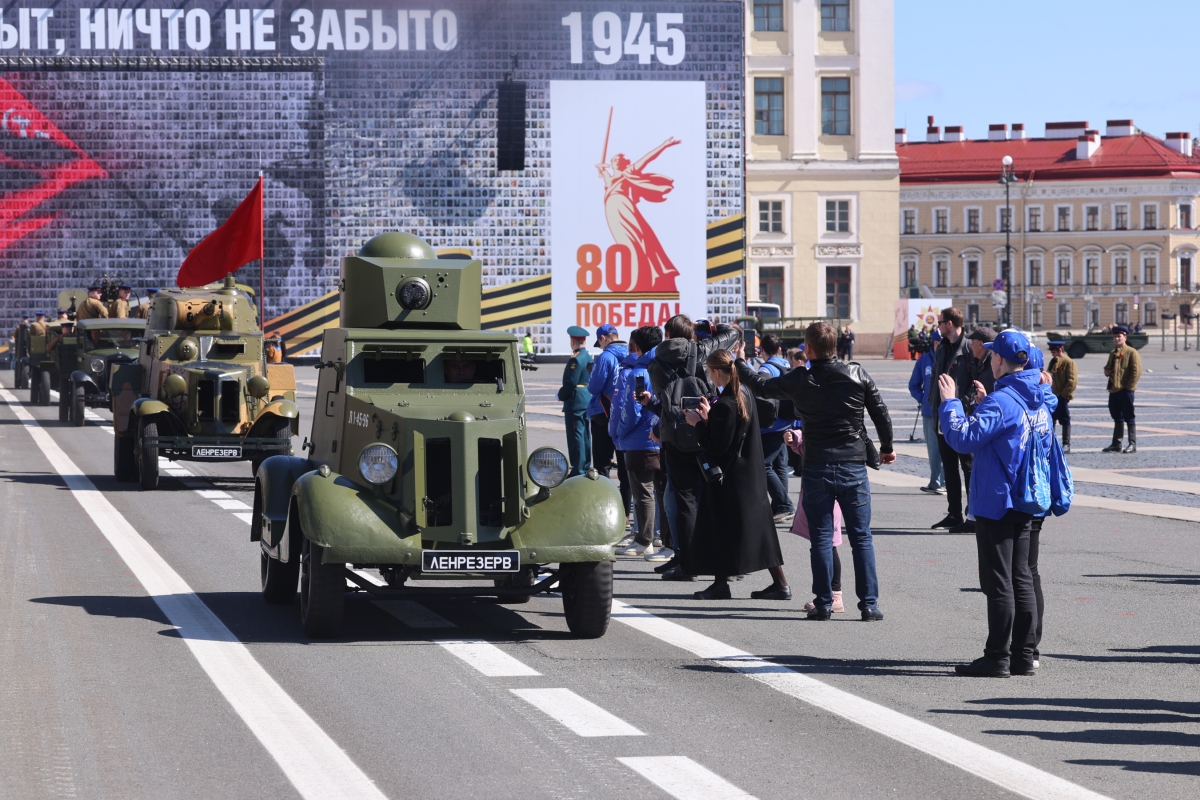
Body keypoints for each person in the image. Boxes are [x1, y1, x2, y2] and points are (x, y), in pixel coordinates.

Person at [738, 321, 894, 621]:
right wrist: (886, 446)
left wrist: (740, 360)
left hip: (817, 464)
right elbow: (880, 412)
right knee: (861, 537)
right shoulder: (857, 373)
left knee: (821, 537)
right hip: (852, 464)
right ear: (835, 347)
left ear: (808, 349)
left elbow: (760, 386)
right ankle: (869, 604)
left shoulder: (799, 379)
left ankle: (823, 602)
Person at [938, 330, 1052, 677]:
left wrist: (950, 402)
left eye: (992, 356)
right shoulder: (1038, 398)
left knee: (1000, 581)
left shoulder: (1002, 402)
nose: (989, 360)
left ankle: (997, 656)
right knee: (1023, 577)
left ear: (1000, 360)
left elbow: (962, 438)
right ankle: (1023, 654)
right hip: (1029, 499)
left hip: (999, 500)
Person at [683, 348, 788, 600]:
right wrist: (710, 420)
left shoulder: (726, 404)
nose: (709, 377)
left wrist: (698, 424)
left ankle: (721, 585)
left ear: (717, 372)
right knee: (760, 532)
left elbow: (716, 447)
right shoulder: (744, 395)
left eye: (709, 372)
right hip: (749, 475)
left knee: (720, 529)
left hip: (728, 479)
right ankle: (780, 584)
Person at [647, 314, 739, 581]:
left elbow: (665, 404)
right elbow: (733, 333)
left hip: (674, 439)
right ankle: (724, 563)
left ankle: (689, 565)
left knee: (684, 501)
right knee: (714, 499)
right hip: (705, 432)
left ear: (667, 334)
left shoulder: (656, 362)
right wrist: (706, 329)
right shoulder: (703, 350)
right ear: (691, 334)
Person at [613, 325, 671, 559]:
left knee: (643, 492)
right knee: (661, 492)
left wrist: (619, 432)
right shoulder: (663, 366)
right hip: (660, 436)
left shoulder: (639, 372)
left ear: (636, 346)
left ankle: (644, 539)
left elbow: (631, 409)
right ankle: (664, 540)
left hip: (639, 440)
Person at [785, 428, 845, 611]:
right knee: (824, 543)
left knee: (828, 544)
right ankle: (830, 595)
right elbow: (808, 448)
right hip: (819, 486)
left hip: (831, 486)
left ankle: (835, 595)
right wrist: (795, 438)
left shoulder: (836, 419)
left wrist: (797, 439)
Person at [931, 308, 976, 534]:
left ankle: (973, 514)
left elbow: (974, 382)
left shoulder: (969, 348)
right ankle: (954, 513)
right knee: (948, 465)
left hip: (962, 416)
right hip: (941, 414)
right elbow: (935, 380)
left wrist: (964, 405)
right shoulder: (941, 348)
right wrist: (933, 407)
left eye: (940, 322)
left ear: (950, 324)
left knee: (968, 466)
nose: (937, 326)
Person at [586, 323, 631, 518]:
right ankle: (626, 512)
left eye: (600, 342)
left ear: (604, 338)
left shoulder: (605, 357)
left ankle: (605, 514)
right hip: (626, 418)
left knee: (602, 466)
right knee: (625, 469)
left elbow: (594, 387)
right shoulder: (632, 354)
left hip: (603, 416)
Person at [757, 333, 796, 524]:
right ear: (779, 349)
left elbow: (761, 393)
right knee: (780, 466)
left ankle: (784, 504)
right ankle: (780, 506)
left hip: (772, 425)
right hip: (786, 422)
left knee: (763, 465)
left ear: (761, 350)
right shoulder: (786, 364)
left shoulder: (766, 368)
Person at [908, 329, 945, 494]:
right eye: (940, 343)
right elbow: (914, 384)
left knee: (947, 447)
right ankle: (935, 481)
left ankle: (944, 482)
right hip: (930, 412)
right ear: (935, 343)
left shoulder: (952, 359)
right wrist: (923, 398)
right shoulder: (924, 361)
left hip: (947, 411)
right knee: (932, 448)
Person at [559, 325, 593, 476]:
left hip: (575, 400)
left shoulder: (576, 359)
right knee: (585, 435)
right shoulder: (588, 357)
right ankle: (585, 464)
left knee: (576, 435)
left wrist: (561, 395)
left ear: (572, 341)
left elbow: (570, 383)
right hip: (586, 398)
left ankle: (578, 468)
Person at [1102, 325, 1141, 454]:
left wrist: (1129, 388)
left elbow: (1136, 371)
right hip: (1113, 390)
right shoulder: (1112, 353)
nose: (1117, 339)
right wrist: (1107, 372)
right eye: (1115, 337)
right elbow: (1109, 369)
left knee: (1129, 417)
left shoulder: (1131, 352)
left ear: (1125, 337)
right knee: (1116, 416)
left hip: (1125, 390)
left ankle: (1132, 443)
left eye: (1119, 336)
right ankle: (1116, 443)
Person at [1046, 337, 1077, 453]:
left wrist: (1064, 395)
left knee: (1065, 420)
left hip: (1062, 397)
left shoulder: (1069, 362)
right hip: (1052, 396)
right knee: (1051, 420)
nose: (1053, 355)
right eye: (1052, 352)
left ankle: (1066, 444)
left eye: (1054, 352)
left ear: (1060, 350)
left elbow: (1072, 381)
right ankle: (1050, 442)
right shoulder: (1053, 362)